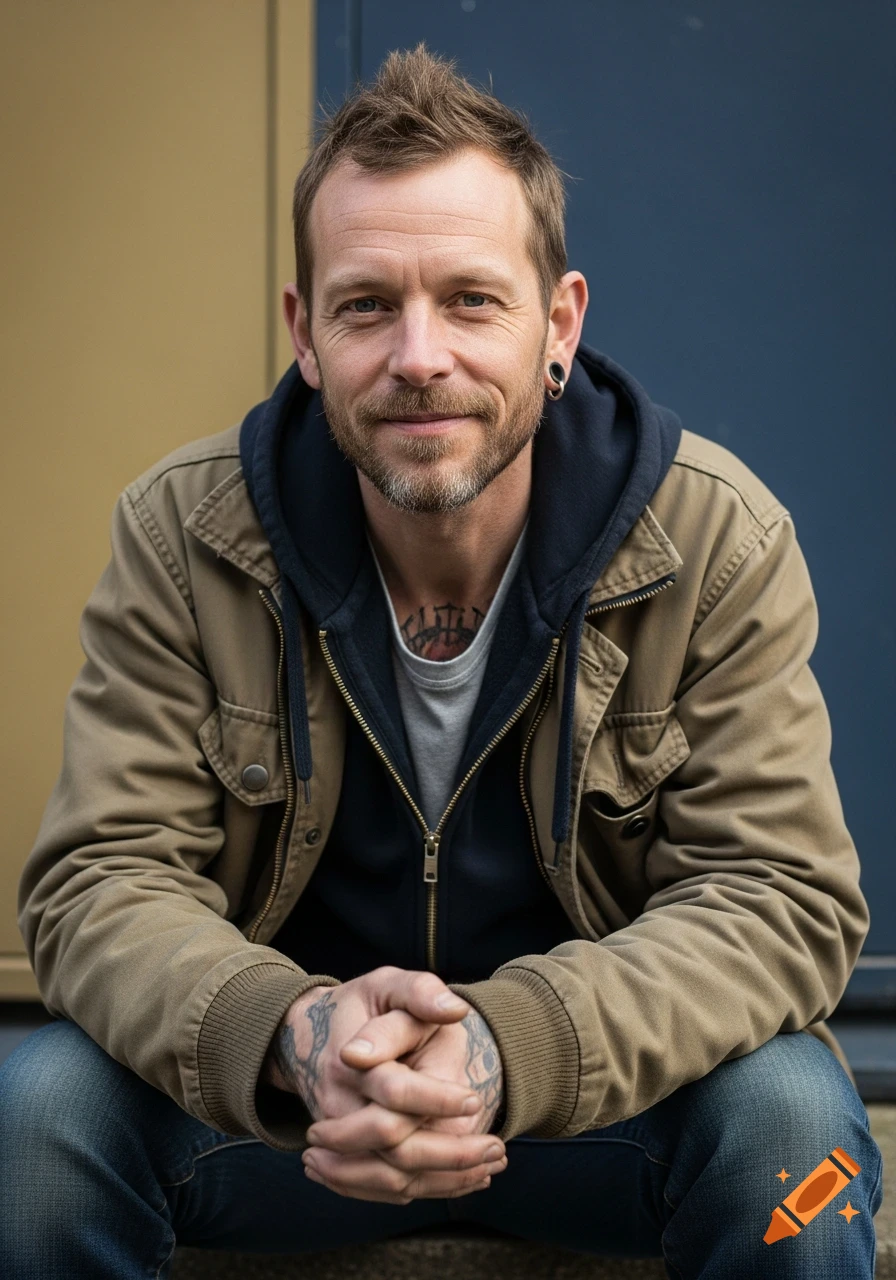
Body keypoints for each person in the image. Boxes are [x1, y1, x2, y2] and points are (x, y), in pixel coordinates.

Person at [0, 41, 884, 1280]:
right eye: (368, 304)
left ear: (558, 324)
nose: (420, 354)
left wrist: (501, 1043)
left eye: (470, 299)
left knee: (796, 1133)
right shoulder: (185, 533)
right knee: (37, 1114)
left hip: (591, 1113)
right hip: (289, 1116)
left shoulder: (709, 537)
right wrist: (300, 1035)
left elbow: (776, 896)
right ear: (306, 334)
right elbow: (100, 879)